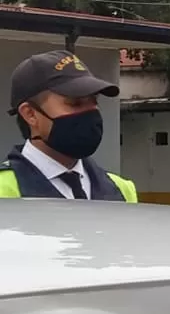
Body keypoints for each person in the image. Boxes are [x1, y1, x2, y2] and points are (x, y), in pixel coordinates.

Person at [1, 49, 137, 201]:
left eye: (94, 101)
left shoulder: (121, 189)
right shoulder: (4, 191)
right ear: (30, 114)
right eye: (75, 103)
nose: (90, 112)